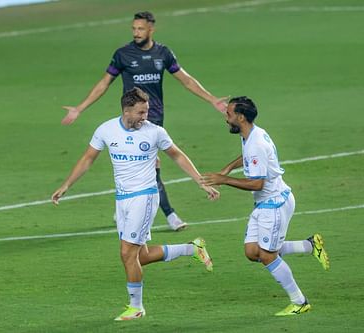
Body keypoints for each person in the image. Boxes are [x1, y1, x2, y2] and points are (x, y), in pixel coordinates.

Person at [52, 88, 219, 321]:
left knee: (126, 253)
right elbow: (88, 158)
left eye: (147, 111)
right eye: (141, 112)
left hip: (145, 196)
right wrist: (67, 184)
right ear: (126, 110)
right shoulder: (106, 130)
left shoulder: (155, 132)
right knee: (141, 256)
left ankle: (136, 307)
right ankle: (193, 248)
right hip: (122, 200)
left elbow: (177, 155)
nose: (145, 117)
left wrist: (200, 181)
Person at [61, 11, 227, 231]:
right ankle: (170, 215)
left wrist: (212, 99)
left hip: (153, 120)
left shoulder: (163, 54)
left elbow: (186, 80)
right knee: (150, 168)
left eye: (140, 29)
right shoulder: (123, 54)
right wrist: (80, 108)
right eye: (134, 29)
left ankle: (130, 204)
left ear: (151, 29)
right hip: (132, 119)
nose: (136, 33)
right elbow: (104, 83)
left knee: (150, 167)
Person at [201, 96, 329, 316]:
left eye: (229, 114)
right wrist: (227, 169)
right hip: (264, 203)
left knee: (268, 255)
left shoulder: (256, 143)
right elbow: (246, 157)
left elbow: (257, 183)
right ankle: (309, 246)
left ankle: (300, 301)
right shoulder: (251, 135)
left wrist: (225, 181)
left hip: (275, 204)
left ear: (240, 117)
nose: (226, 117)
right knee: (253, 252)